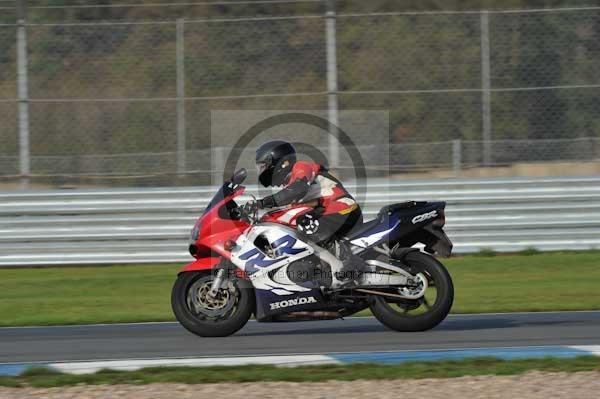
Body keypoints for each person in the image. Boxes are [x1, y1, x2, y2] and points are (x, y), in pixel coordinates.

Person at [247, 140, 365, 285]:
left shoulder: (301, 167)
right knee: (294, 223)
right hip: (327, 213)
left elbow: (297, 189)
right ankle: (328, 269)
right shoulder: (289, 183)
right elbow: (288, 203)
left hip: (344, 209)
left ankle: (350, 264)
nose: (262, 171)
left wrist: (262, 202)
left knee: (304, 221)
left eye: (263, 166)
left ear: (280, 162)